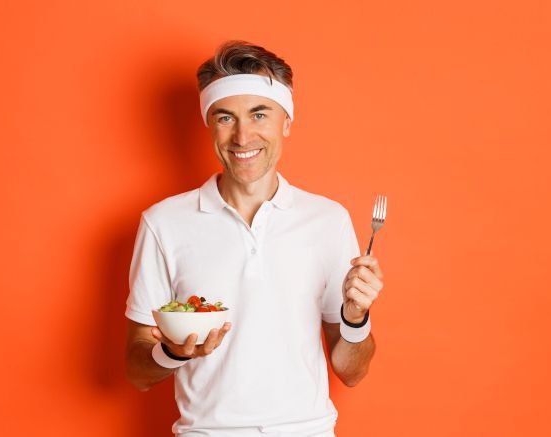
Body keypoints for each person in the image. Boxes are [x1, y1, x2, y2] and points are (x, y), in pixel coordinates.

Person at [124, 40, 384, 437]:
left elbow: (352, 371)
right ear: (209, 125)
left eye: (259, 114)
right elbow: (138, 372)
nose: (243, 137)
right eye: (226, 118)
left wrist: (355, 318)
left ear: (287, 122)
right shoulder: (164, 223)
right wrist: (172, 352)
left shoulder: (328, 220)